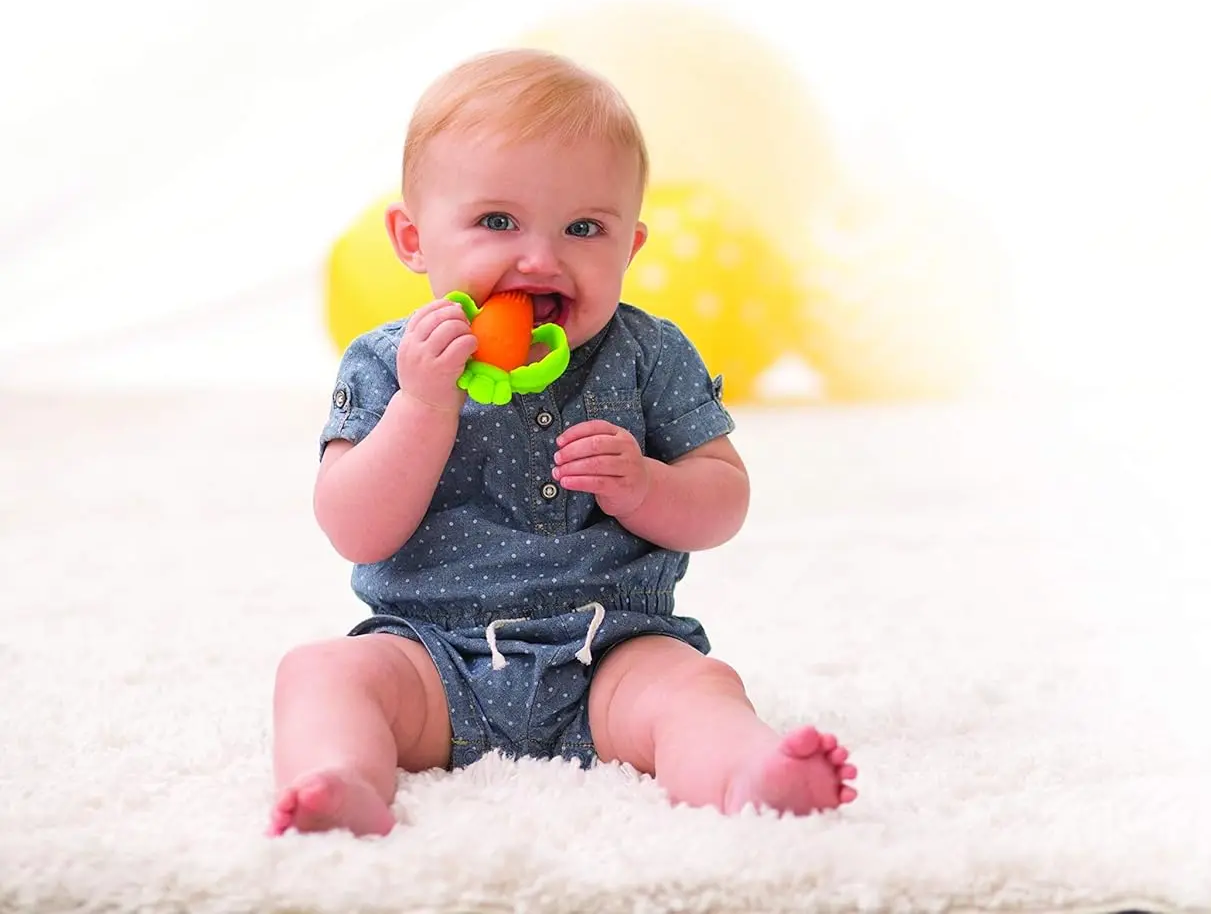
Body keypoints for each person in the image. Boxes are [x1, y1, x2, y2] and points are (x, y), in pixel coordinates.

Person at [268, 48, 858, 837]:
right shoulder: (388, 364)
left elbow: (724, 500)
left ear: (631, 248)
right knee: (321, 673)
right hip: (431, 653)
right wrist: (423, 408)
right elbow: (354, 527)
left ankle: (746, 774)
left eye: (584, 227)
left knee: (697, 687)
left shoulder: (649, 353)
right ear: (413, 240)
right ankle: (339, 780)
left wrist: (648, 487)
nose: (540, 258)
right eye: (496, 222)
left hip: (610, 648)